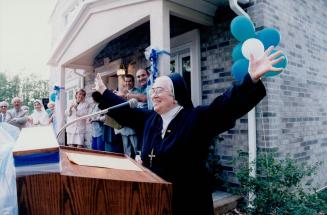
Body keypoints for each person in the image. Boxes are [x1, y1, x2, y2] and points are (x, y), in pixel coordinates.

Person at [94, 47, 284, 215]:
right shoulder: (150, 119)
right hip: (156, 202)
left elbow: (226, 107)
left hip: (188, 205)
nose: (153, 94)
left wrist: (250, 79)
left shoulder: (195, 119)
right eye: (152, 90)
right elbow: (126, 111)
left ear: (175, 96)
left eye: (158, 90)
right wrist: (104, 92)